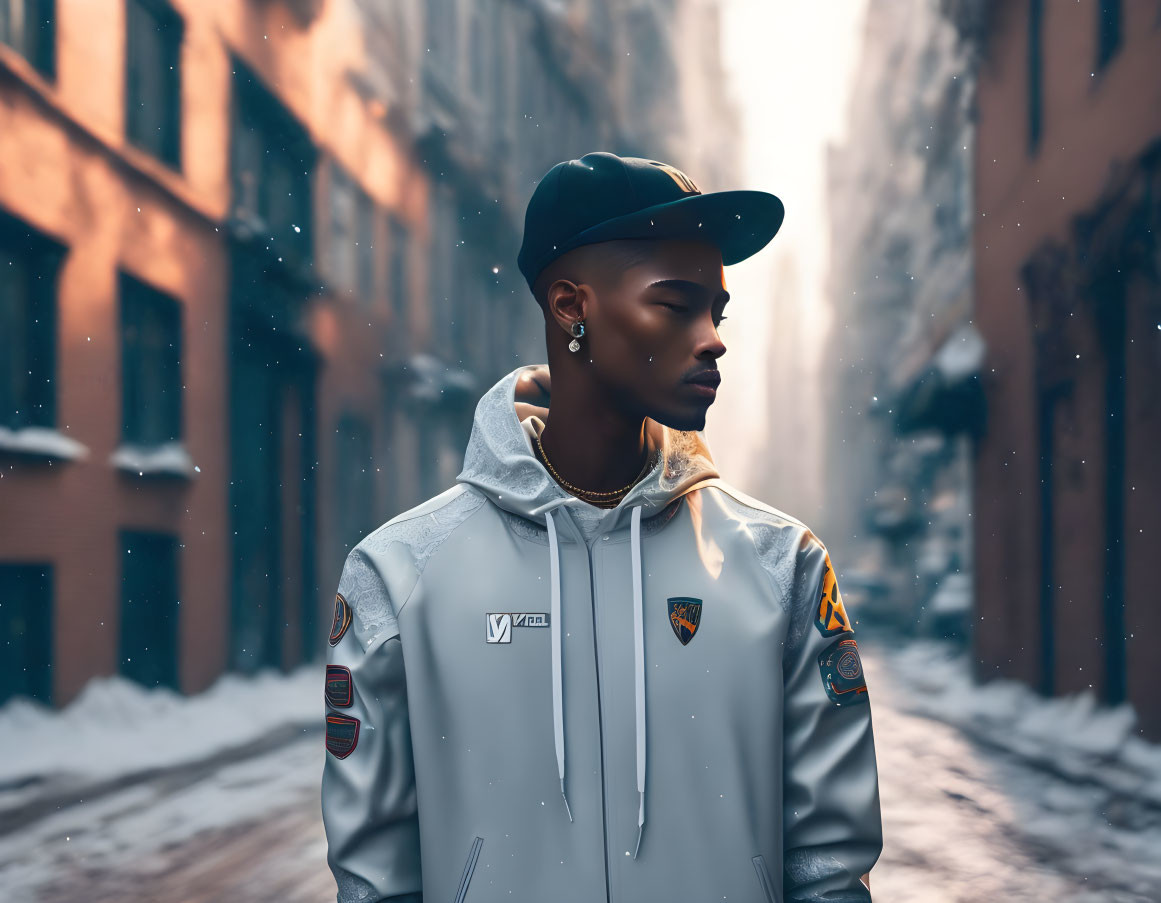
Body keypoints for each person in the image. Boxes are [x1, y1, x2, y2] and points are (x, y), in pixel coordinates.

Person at [321, 151, 882, 903]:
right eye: (675, 304)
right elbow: (374, 877)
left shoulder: (783, 564)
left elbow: (829, 864)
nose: (713, 337)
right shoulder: (398, 571)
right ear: (569, 306)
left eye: (715, 311)